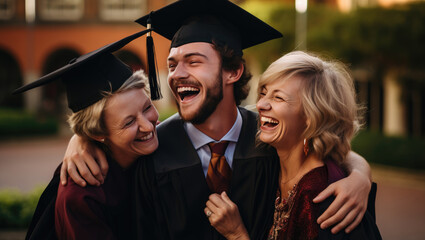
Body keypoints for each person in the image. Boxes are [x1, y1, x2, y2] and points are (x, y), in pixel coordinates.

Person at [61, 0, 373, 239]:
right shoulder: (153, 152)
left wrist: (360, 173)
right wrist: (83, 137)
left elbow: (319, 147)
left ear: (232, 71)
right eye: (172, 65)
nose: (177, 74)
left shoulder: (271, 140)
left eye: (193, 61)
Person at [204, 51, 382, 240]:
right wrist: (361, 174)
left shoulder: (327, 205)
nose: (261, 104)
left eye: (278, 98)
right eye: (263, 93)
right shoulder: (270, 161)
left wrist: (237, 235)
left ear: (313, 116)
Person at [15, 30, 161, 240]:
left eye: (147, 107)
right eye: (129, 122)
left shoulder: (162, 145)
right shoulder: (82, 196)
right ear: (97, 133)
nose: (148, 126)